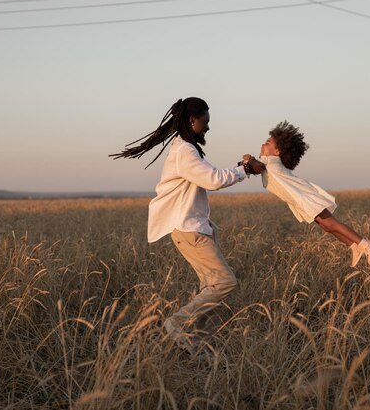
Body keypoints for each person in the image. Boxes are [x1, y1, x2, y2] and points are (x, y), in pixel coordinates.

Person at [110, 97, 264, 353]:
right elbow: (213, 180)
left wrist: (241, 167)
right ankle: (179, 324)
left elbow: (208, 174)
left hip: (194, 228)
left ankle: (194, 345)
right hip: (189, 229)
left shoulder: (187, 149)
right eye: (205, 122)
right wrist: (245, 169)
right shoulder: (184, 150)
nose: (208, 128)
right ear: (192, 120)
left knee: (210, 286)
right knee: (224, 283)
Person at [248, 120, 370, 267]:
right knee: (326, 226)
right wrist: (248, 163)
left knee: (331, 223)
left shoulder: (270, 162)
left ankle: (367, 244)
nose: (263, 144)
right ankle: (354, 247)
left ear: (277, 152)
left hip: (305, 197)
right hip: (299, 199)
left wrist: (248, 160)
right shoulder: (267, 162)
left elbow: (255, 165)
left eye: (268, 143)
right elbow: (255, 166)